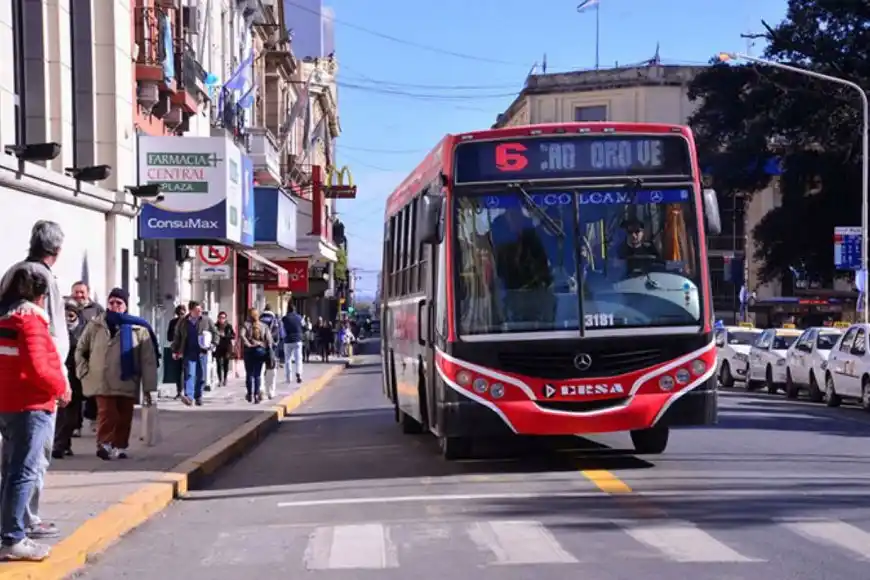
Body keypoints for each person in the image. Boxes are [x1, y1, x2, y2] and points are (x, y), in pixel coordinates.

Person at [0, 220, 67, 541]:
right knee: (31, 460)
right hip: (33, 389)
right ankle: (23, 522)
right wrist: (60, 382)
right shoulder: (40, 283)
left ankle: (15, 521)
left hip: (11, 384)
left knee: (16, 460)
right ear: (56, 249)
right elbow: (47, 340)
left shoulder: (13, 271)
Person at [75, 288, 159, 460]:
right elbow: (80, 350)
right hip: (102, 379)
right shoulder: (96, 324)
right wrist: (84, 371)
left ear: (125, 306)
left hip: (127, 379)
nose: (114, 306)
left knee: (124, 415)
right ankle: (104, 444)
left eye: (119, 303)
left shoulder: (139, 328)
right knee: (107, 413)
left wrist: (150, 387)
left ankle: (120, 446)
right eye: (111, 302)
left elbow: (148, 360)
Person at [52, 300, 85, 459]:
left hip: (77, 378)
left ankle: (64, 443)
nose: (67, 317)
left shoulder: (84, 330)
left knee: (72, 417)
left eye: (71, 314)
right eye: (65, 314)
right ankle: (59, 444)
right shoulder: (55, 329)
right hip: (60, 376)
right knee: (61, 414)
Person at [70, 281, 104, 434]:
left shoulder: (97, 309)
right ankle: (75, 426)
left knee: (91, 390)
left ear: (88, 293)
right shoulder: (66, 308)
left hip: (90, 356)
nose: (79, 295)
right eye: (76, 292)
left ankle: (92, 419)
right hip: (71, 355)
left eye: (82, 292)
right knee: (74, 392)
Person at [170, 301, 217, 406]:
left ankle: (198, 396)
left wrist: (213, 344)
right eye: (197, 310)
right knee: (190, 374)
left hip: (202, 352)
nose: (200, 312)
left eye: (200, 310)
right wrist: (174, 350)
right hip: (188, 351)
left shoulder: (206, 320)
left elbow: (215, 332)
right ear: (191, 310)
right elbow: (177, 337)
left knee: (201, 376)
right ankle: (189, 397)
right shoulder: (183, 322)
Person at [240, 309, 273, 404]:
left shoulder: (246, 325)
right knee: (258, 374)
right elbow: (269, 340)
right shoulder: (264, 326)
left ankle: (250, 393)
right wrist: (266, 347)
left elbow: (242, 336)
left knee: (249, 374)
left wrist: (248, 344)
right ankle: (256, 394)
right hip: (260, 351)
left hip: (249, 351)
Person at [259, 304, 281, 399]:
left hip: (260, 347)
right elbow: (278, 334)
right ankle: (270, 392)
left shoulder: (258, 319)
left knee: (260, 369)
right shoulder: (275, 320)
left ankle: (261, 389)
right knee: (271, 370)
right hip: (271, 348)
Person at [165, 304, 187, 399]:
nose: (181, 315)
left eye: (182, 313)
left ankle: (182, 391)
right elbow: (169, 337)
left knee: (182, 370)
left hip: (185, 349)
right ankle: (180, 391)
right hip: (177, 349)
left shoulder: (188, 322)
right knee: (179, 370)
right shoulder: (174, 322)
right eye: (180, 313)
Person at [281, 303, 304, 384]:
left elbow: (282, 331)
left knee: (287, 359)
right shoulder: (299, 317)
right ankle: (299, 373)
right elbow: (304, 326)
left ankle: (288, 378)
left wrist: (284, 337)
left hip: (287, 341)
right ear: (294, 309)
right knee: (298, 358)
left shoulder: (284, 319)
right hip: (298, 340)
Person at [214, 311, 235, 387]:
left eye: (223, 318)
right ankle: (220, 380)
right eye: (220, 317)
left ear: (225, 319)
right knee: (218, 364)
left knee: (226, 364)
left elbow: (233, 335)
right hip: (218, 347)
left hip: (227, 347)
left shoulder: (229, 326)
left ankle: (225, 378)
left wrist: (225, 336)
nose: (221, 319)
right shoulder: (215, 326)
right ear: (218, 318)